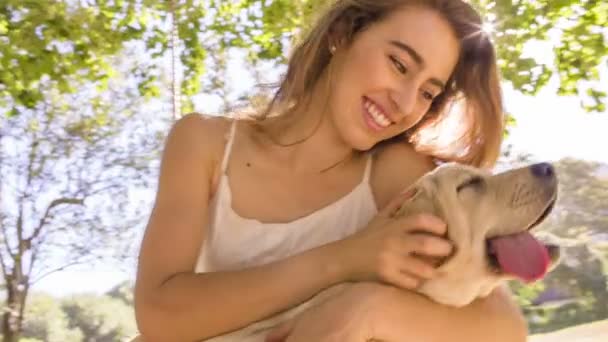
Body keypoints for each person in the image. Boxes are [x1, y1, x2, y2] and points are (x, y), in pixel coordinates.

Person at [134, 0, 527, 341]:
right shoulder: (205, 143)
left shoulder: (396, 174)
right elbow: (159, 315)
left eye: (428, 92)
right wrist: (343, 259)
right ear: (342, 33)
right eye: (399, 64)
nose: (405, 103)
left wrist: (366, 308)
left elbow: (503, 328)